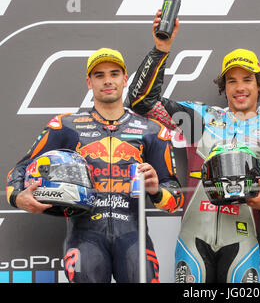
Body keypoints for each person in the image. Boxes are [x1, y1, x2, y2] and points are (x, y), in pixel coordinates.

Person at [126, 11, 260, 283]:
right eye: (232, 80)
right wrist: (161, 49)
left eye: (247, 79)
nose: (239, 88)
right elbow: (141, 102)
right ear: (223, 86)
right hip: (193, 239)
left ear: (259, 84)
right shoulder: (200, 120)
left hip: (242, 243)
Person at [6, 48, 184, 283]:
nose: (108, 80)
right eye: (99, 75)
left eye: (114, 74)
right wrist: (17, 197)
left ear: (125, 79)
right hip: (84, 237)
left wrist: (156, 190)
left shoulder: (153, 130)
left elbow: (176, 197)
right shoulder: (66, 126)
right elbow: (20, 169)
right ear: (89, 82)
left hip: (133, 238)